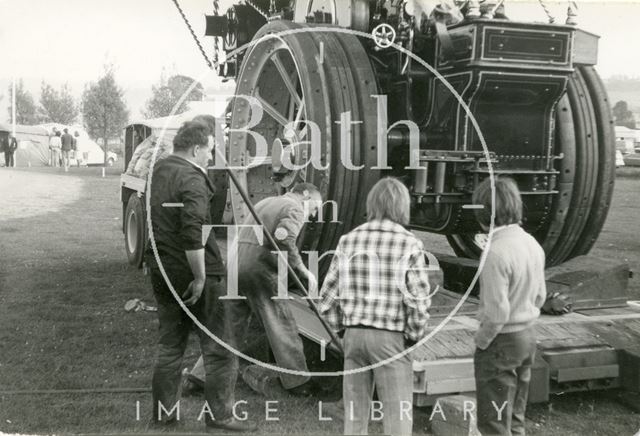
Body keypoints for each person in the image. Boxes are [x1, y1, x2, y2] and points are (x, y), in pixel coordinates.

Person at [146, 120, 255, 432]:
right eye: (209, 150)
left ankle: (164, 418)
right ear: (196, 149)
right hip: (193, 273)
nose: (211, 157)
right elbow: (193, 231)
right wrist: (200, 276)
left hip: (163, 270)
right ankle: (221, 416)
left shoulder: (161, 170)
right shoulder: (193, 178)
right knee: (220, 350)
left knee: (170, 348)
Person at [319, 177, 432, 436]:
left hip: (354, 335)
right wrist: (412, 336)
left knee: (355, 418)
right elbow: (418, 299)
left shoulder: (349, 240)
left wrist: (342, 331)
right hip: (390, 338)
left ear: (372, 204)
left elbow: (326, 298)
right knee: (397, 419)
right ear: (402, 206)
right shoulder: (409, 243)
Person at [226, 183, 323, 396]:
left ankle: (199, 377)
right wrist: (304, 271)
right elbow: (285, 239)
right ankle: (298, 382)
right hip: (258, 269)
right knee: (281, 323)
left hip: (235, 265)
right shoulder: (294, 208)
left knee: (229, 328)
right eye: (315, 207)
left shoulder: (266, 201)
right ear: (305, 195)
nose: (313, 214)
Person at [471, 177, 546, 436]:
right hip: (527, 337)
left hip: (501, 342)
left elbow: (497, 313)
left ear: (483, 213)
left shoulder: (495, 252)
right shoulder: (532, 244)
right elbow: (540, 296)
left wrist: (482, 341)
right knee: (515, 416)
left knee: (493, 421)